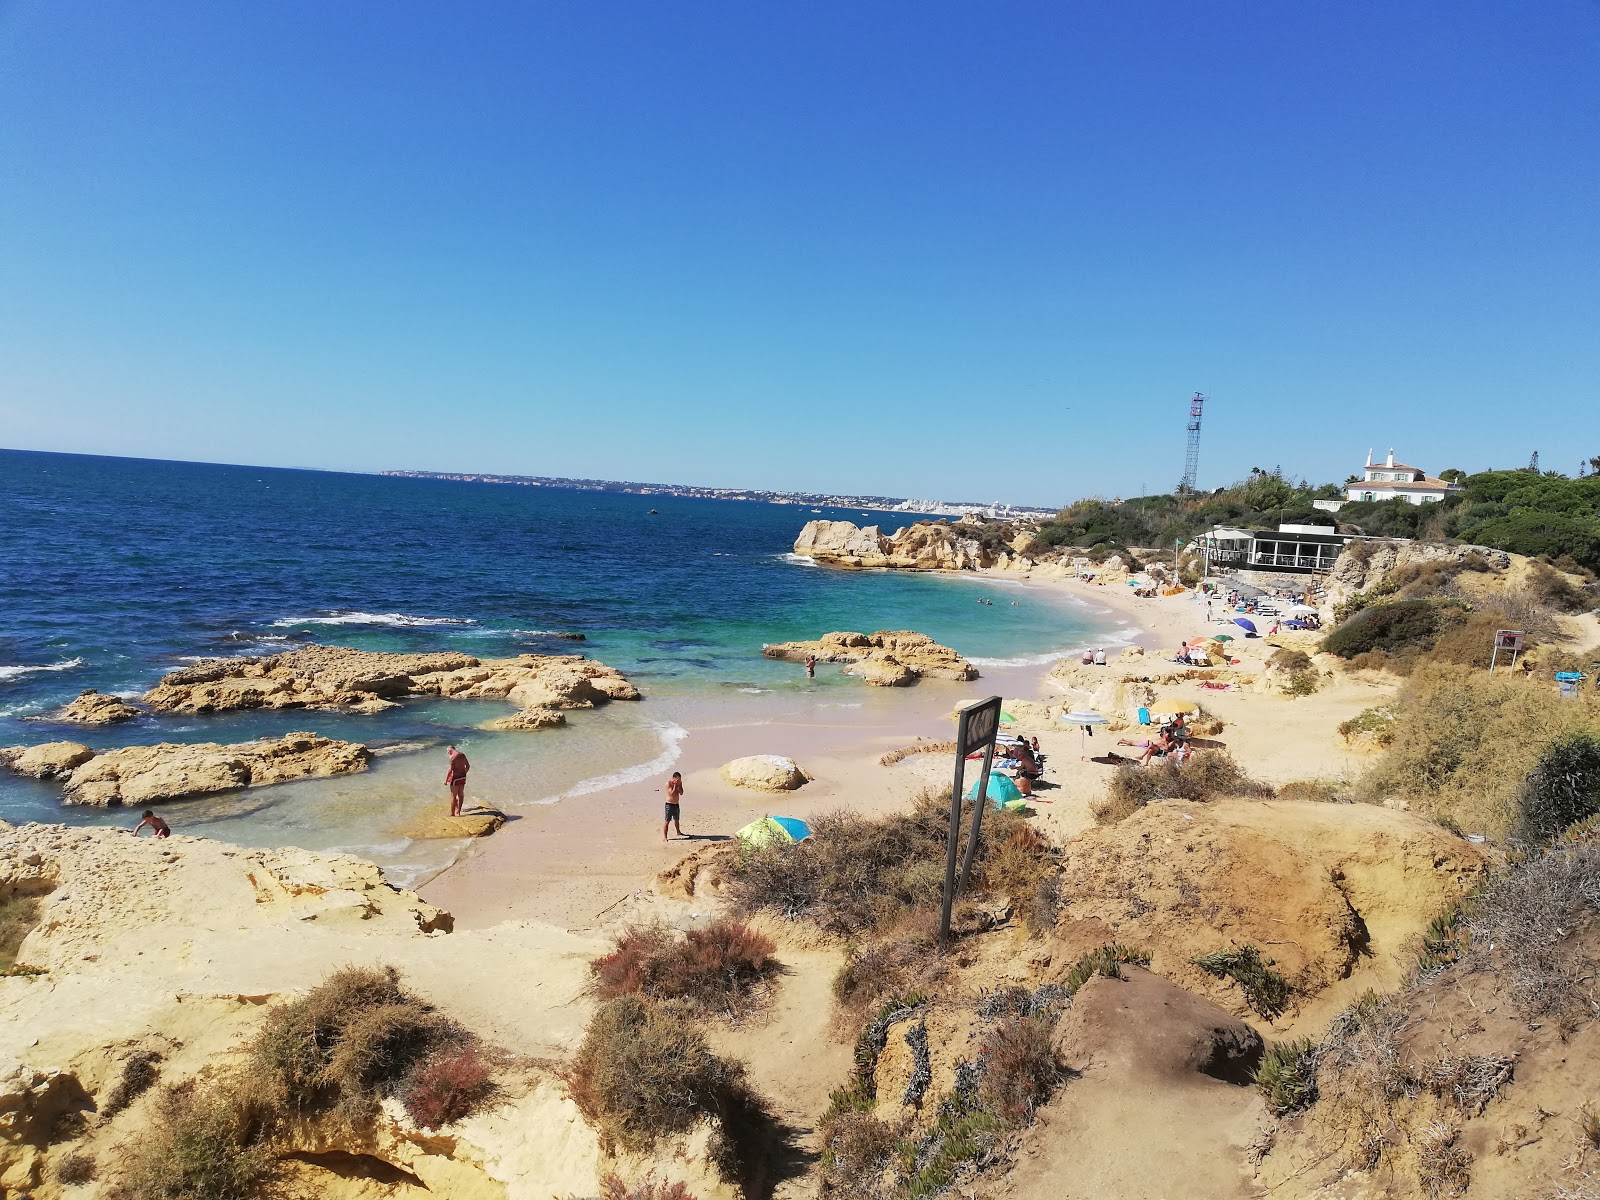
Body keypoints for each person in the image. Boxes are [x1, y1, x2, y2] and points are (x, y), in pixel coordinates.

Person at [445, 745, 470, 817]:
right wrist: (464, 774)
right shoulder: (462, 754)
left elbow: (450, 770)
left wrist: (446, 780)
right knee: (461, 794)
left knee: (453, 795)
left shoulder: (453, 757)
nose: (448, 754)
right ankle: (458, 811)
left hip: (455, 778)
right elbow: (468, 766)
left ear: (449, 751)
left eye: (448, 752)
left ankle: (452, 814)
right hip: (462, 777)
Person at [664, 771, 685, 840]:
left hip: (676, 804)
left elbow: (681, 793)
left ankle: (678, 832)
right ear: (674, 778)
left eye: (680, 780)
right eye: (678, 780)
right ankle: (665, 837)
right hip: (669, 805)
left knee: (676, 819)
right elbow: (672, 794)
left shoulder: (679, 783)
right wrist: (675, 785)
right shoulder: (668, 783)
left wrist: (679, 786)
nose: (679, 781)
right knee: (667, 820)